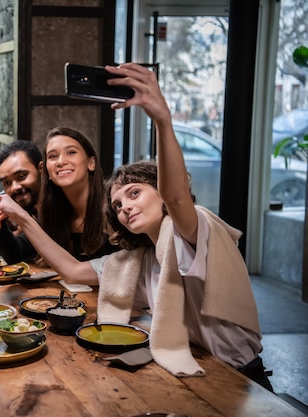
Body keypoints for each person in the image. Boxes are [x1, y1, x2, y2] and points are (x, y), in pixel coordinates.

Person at [88, 63, 271, 390]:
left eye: (134, 193)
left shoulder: (194, 228)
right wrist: (19, 217)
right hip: (199, 374)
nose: (125, 206)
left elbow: (176, 197)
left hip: (242, 382)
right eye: (117, 205)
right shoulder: (143, 260)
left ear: (160, 195)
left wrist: (162, 120)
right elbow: (75, 273)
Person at [0, 127, 117, 282]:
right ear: (46, 169)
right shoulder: (54, 213)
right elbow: (15, 255)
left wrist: (22, 217)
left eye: (71, 152)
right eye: (53, 156)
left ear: (91, 163)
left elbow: (82, 273)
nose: (61, 162)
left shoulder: (115, 207)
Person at [0, 140, 42, 263]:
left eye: (21, 176)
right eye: (7, 183)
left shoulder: (58, 206)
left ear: (41, 170)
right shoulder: (36, 212)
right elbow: (16, 255)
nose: (15, 187)